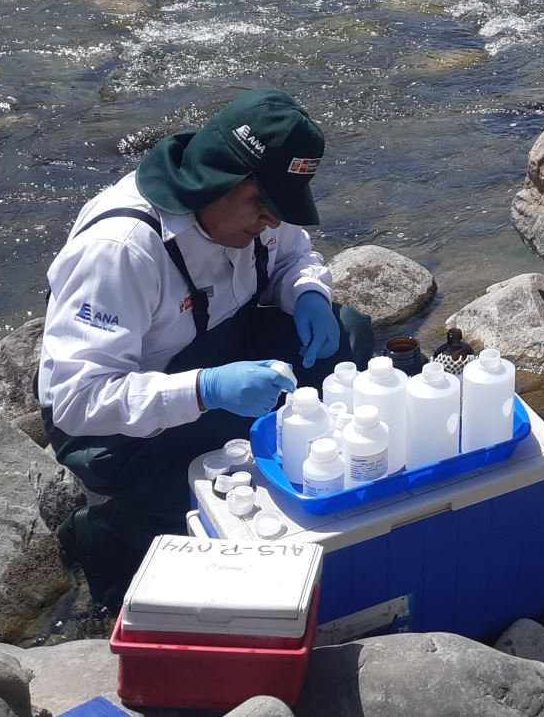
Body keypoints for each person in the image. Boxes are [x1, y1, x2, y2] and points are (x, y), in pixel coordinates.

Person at [38, 88, 373, 605]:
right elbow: (77, 401)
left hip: (215, 352)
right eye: (264, 204)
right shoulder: (121, 250)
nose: (273, 222)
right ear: (217, 176)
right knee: (229, 470)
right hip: (116, 427)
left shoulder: (252, 217)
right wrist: (207, 389)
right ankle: (103, 534)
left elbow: (293, 257)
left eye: (281, 207)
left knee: (346, 334)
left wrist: (308, 293)